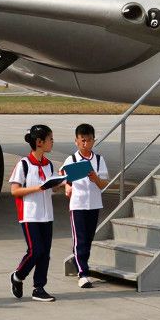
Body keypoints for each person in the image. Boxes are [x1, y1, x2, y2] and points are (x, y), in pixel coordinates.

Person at [9, 124, 65, 302]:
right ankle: (18, 275)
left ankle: (39, 287)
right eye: (50, 139)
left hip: (46, 214)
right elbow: (15, 191)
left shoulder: (49, 165)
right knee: (35, 250)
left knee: (45, 252)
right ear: (40, 142)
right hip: (29, 214)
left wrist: (61, 183)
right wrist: (38, 188)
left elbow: (52, 189)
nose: (52, 142)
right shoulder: (23, 164)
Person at [62, 123, 110, 288]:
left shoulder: (98, 159)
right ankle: (82, 273)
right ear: (76, 141)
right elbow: (64, 178)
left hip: (94, 204)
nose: (86, 144)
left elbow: (104, 183)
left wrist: (95, 178)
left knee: (88, 239)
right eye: (82, 140)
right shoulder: (72, 159)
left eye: (89, 140)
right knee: (80, 239)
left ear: (93, 141)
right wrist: (67, 187)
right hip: (78, 204)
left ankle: (81, 263)